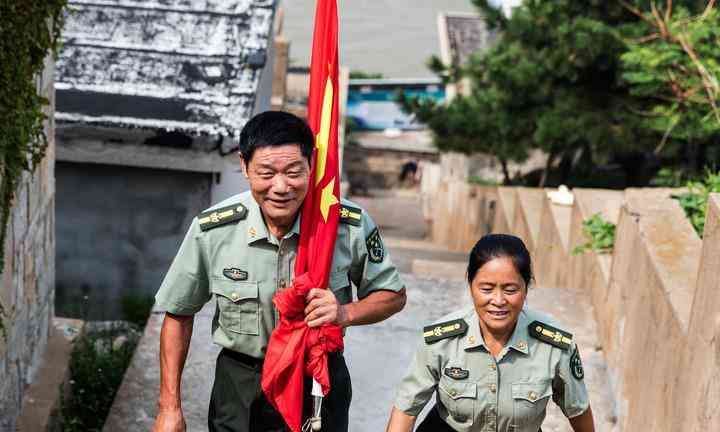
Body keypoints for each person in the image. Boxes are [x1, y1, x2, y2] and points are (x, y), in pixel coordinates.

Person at [151, 111, 407, 432]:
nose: (281, 187)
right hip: (241, 386)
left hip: (317, 378)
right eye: (267, 173)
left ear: (311, 165)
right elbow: (178, 313)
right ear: (244, 166)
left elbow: (393, 296)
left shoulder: (345, 226)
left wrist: (345, 312)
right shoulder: (214, 230)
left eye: (293, 172)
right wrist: (169, 407)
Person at [386, 234, 595, 432]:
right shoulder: (441, 340)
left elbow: (578, 410)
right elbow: (406, 409)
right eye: (486, 289)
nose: (498, 300)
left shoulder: (554, 346)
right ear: (470, 286)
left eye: (510, 290)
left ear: (526, 288)